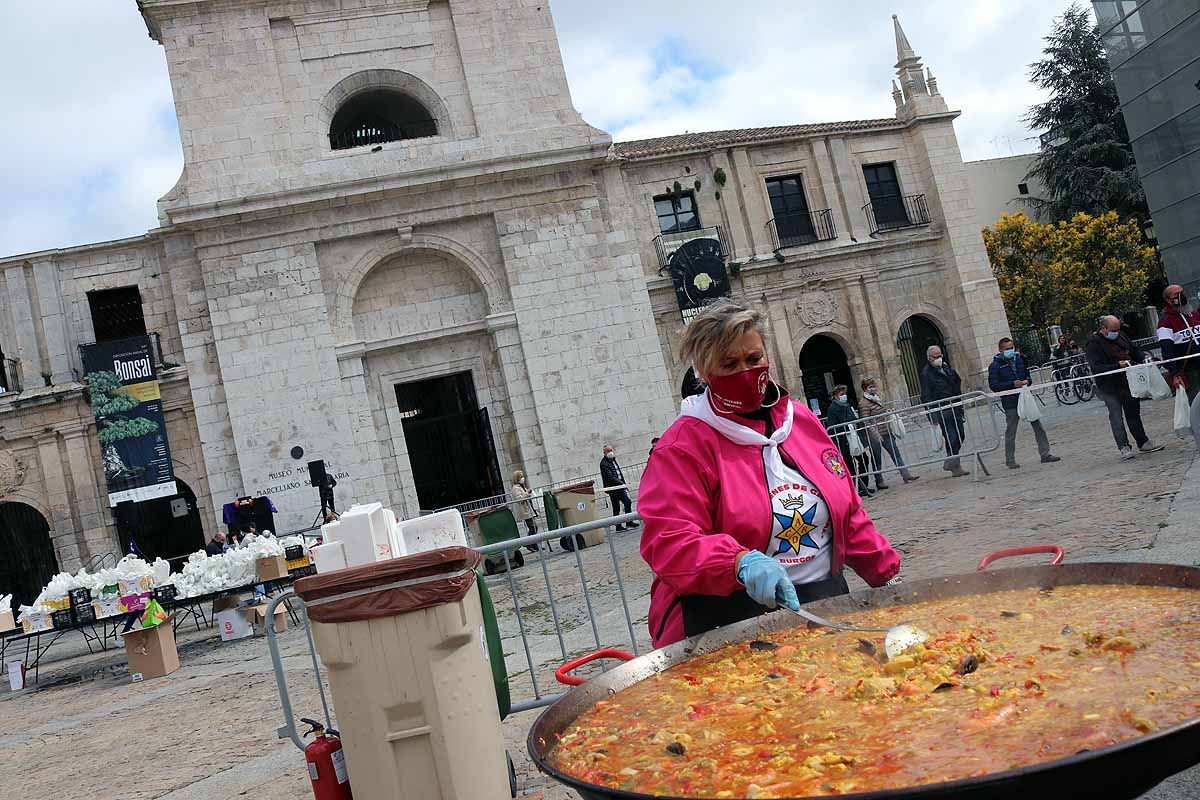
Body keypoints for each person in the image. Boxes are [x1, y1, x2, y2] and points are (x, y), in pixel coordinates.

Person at [637, 301, 901, 648]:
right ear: (705, 372)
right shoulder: (683, 447)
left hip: (824, 607)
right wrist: (737, 561)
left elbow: (847, 514)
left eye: (754, 359)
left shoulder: (801, 422)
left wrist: (888, 579)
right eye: (729, 364)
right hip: (728, 621)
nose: (745, 372)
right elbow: (669, 542)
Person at [1086, 315, 1165, 459]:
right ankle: (1123, 447)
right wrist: (1117, 365)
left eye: (1117, 329)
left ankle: (1143, 442)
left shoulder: (1121, 336)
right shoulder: (1094, 343)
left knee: (1133, 413)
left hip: (1128, 382)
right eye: (1112, 330)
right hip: (1109, 386)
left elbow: (1135, 350)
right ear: (1103, 329)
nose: (1116, 332)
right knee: (1116, 416)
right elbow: (1096, 368)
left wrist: (1143, 358)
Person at [988, 337, 1061, 469]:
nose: (1010, 351)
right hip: (1010, 401)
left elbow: (1027, 375)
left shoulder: (1019, 360)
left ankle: (1045, 453)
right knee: (1011, 430)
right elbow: (994, 385)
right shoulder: (995, 365)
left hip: (1025, 397)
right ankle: (1010, 459)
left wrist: (1027, 380)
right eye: (1007, 349)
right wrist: (1011, 384)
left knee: (1038, 425)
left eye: (1011, 348)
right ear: (1000, 350)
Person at [919, 345, 970, 477]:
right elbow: (926, 396)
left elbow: (956, 382)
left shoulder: (946, 368)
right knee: (951, 437)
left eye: (940, 355)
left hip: (955, 407)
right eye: (936, 357)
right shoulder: (926, 374)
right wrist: (933, 416)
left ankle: (950, 461)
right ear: (930, 358)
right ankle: (955, 466)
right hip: (942, 410)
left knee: (961, 435)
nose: (939, 358)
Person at [860, 378, 918, 487]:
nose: (873, 388)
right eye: (870, 387)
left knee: (896, 453)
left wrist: (887, 411)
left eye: (874, 386)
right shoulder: (864, 403)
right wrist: (876, 435)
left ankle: (906, 474)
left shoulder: (875, 399)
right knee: (877, 459)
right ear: (865, 389)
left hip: (885, 431)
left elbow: (879, 414)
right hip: (874, 435)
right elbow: (866, 421)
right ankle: (879, 481)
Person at [823, 385, 874, 497]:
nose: (844, 396)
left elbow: (853, 419)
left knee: (864, 459)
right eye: (841, 395)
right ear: (836, 396)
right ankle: (854, 489)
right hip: (844, 442)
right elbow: (832, 427)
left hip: (854, 439)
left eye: (844, 394)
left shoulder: (847, 405)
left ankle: (863, 486)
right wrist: (847, 427)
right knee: (850, 466)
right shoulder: (832, 409)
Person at [1158, 284, 1200, 405]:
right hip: (1188, 370)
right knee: (1196, 403)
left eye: (1182, 293)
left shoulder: (1193, 315)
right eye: (1177, 295)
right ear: (1168, 300)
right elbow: (1167, 350)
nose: (1182, 296)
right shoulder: (1165, 322)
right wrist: (1174, 374)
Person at [600, 445, 639, 531]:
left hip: (620, 486)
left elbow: (619, 473)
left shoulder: (613, 459)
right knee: (616, 507)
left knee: (627, 502)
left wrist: (623, 484)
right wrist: (622, 483)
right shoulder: (604, 463)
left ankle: (629, 522)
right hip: (613, 488)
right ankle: (618, 526)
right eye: (608, 451)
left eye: (611, 450)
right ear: (604, 452)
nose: (610, 452)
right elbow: (610, 477)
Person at [511, 470, 545, 551]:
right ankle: (528, 543)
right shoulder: (515, 488)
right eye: (521, 476)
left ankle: (533, 544)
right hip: (525, 511)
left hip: (529, 509)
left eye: (523, 476)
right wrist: (527, 493)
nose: (523, 478)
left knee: (534, 527)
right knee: (533, 527)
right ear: (517, 478)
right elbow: (520, 499)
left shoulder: (521, 486)